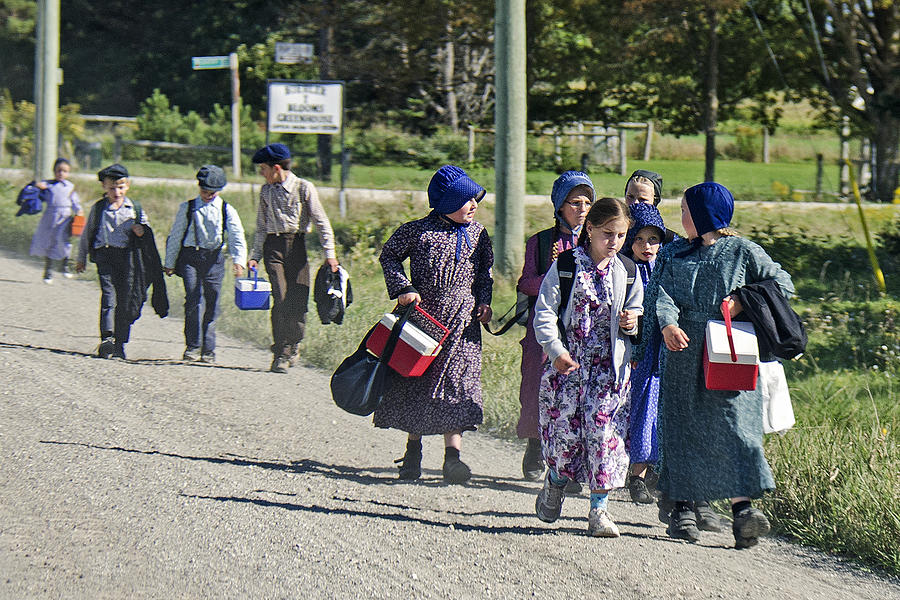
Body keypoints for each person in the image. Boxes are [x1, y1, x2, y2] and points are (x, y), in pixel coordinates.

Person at [640, 182, 794, 548]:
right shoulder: (673, 253)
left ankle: (743, 512)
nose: (680, 218)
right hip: (682, 352)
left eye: (685, 212)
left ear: (703, 215)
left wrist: (743, 299)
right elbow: (659, 294)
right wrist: (668, 323)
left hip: (731, 350)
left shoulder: (744, 252)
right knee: (682, 427)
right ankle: (682, 509)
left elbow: (782, 283)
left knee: (736, 427)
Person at [532, 197, 643, 537]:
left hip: (608, 373)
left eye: (622, 235)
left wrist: (632, 323)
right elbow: (545, 312)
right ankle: (555, 481)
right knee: (565, 440)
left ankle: (599, 512)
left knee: (604, 438)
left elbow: (638, 314)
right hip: (568, 370)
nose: (615, 242)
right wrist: (555, 351)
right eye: (608, 234)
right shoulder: (566, 265)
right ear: (590, 229)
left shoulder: (628, 271)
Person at [377, 165, 493, 485]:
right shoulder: (417, 231)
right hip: (424, 319)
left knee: (456, 385)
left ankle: (452, 458)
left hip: (463, 322)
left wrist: (484, 301)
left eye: (475, 200)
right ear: (446, 202)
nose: (474, 205)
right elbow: (389, 257)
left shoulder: (479, 234)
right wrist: (403, 289)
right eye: (466, 200)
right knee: (419, 383)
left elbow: (485, 273)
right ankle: (413, 453)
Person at [516, 170, 593, 496]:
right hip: (542, 332)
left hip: (582, 332)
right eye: (575, 202)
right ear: (560, 205)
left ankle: (568, 464)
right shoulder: (541, 241)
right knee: (536, 388)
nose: (582, 208)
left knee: (576, 397)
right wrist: (556, 280)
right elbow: (525, 283)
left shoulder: (595, 241)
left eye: (588, 202)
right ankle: (535, 447)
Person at [247, 143, 339, 373]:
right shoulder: (265, 191)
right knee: (280, 298)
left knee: (298, 299)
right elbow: (260, 226)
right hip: (273, 248)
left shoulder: (303, 188)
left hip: (297, 247)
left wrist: (330, 255)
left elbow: (321, 222)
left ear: (276, 168)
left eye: (263, 168)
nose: (261, 173)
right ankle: (281, 353)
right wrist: (255, 255)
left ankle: (294, 343)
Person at [75, 163, 160, 359]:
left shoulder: (134, 209)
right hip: (104, 257)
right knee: (108, 297)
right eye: (112, 187)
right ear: (104, 187)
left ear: (127, 186)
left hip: (127, 260)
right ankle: (107, 338)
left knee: (124, 301)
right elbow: (87, 235)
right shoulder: (98, 209)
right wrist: (81, 259)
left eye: (120, 187)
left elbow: (147, 233)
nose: (116, 191)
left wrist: (141, 231)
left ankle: (120, 343)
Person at [164, 165, 247, 363]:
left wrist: (239, 261)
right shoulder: (188, 207)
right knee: (193, 298)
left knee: (212, 300)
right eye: (204, 191)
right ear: (198, 187)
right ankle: (193, 346)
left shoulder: (226, 209)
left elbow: (237, 236)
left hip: (214, 259)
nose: (208, 195)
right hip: (190, 257)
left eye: (213, 192)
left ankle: (208, 349)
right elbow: (175, 235)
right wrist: (169, 262)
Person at [620, 202, 668, 505]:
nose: (646, 246)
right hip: (625, 355)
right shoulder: (621, 269)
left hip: (656, 357)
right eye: (639, 239)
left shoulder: (667, 270)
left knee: (648, 413)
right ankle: (610, 467)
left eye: (653, 240)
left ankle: (639, 475)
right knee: (622, 410)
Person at [29, 158, 82, 283]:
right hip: (50, 216)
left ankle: (65, 266)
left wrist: (79, 211)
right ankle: (48, 271)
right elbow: (33, 190)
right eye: (59, 170)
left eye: (65, 171)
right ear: (54, 171)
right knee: (49, 242)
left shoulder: (70, 186)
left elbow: (75, 201)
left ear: (68, 173)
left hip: (65, 217)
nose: (61, 173)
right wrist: (36, 186)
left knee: (64, 241)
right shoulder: (47, 184)